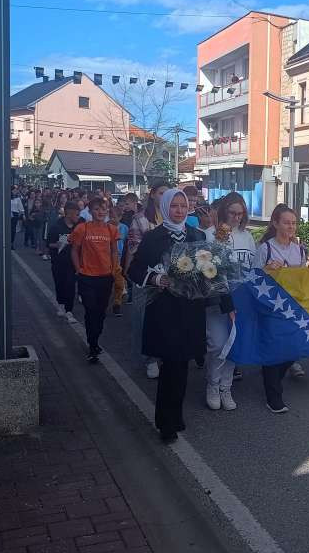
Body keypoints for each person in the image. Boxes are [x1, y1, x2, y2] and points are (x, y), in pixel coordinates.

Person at [128, 189, 233, 443]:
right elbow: (135, 269)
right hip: (164, 309)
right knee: (170, 366)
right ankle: (166, 421)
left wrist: (223, 298)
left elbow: (211, 269)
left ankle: (176, 414)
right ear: (165, 207)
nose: (179, 210)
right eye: (173, 206)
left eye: (182, 206)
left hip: (191, 309)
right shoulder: (154, 237)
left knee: (183, 364)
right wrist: (156, 278)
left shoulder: (196, 235)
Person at [201, 192, 256, 410]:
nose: (236, 218)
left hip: (241, 298)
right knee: (217, 344)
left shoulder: (247, 236)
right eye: (232, 213)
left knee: (234, 344)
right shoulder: (209, 235)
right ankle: (213, 385)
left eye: (240, 214)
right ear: (223, 211)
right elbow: (205, 269)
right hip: (217, 299)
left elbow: (253, 268)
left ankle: (226, 387)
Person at [256, 207, 306, 413]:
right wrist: (267, 270)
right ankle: (273, 397)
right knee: (272, 351)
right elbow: (255, 278)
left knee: (292, 348)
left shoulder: (300, 250)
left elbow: (304, 279)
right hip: (271, 308)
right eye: (286, 222)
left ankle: (274, 376)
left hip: (293, 307)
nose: (291, 227)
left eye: (293, 223)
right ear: (275, 224)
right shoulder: (265, 249)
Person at [126, 184, 169, 379]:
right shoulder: (140, 219)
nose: (164, 197)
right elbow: (134, 247)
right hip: (148, 275)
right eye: (161, 193)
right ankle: (149, 359)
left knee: (165, 320)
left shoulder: (171, 219)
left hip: (170, 279)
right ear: (152, 195)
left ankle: (162, 354)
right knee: (144, 319)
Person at [69, 198, 119, 363]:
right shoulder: (82, 229)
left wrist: (113, 269)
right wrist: (78, 269)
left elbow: (113, 251)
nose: (101, 212)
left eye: (103, 209)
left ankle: (95, 339)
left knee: (101, 312)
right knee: (90, 311)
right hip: (87, 277)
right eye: (97, 209)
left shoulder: (112, 230)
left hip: (105, 277)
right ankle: (92, 345)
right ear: (90, 211)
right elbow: (74, 250)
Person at [48, 201, 81, 323]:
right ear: (68, 214)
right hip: (59, 262)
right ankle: (60, 303)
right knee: (60, 284)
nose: (78, 217)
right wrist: (59, 244)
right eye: (76, 215)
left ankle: (69, 310)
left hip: (73, 262)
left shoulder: (80, 225)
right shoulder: (56, 226)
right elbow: (49, 244)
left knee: (71, 285)